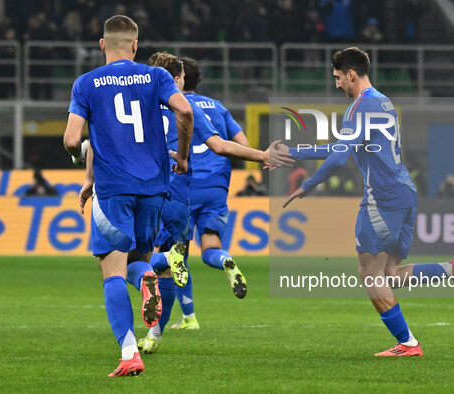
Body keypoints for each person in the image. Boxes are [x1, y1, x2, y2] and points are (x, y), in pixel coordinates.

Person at [275, 47, 454, 357]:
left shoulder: (359, 107)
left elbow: (338, 159)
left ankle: (409, 343)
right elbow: (341, 146)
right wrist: (295, 153)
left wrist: (307, 185)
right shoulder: (383, 102)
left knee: (370, 275)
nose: (336, 85)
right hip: (404, 194)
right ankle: (450, 269)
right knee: (388, 276)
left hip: (382, 199)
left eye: (337, 78)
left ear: (351, 75)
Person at [136, 52, 294, 353]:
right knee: (186, 254)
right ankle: (156, 335)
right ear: (177, 78)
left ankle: (162, 324)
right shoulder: (193, 107)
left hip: (152, 192)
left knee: (143, 265)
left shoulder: (140, 107)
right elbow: (222, 145)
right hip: (193, 189)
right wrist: (262, 155)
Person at [63, 15, 193, 377]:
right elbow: (184, 109)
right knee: (138, 259)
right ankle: (148, 279)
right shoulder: (157, 76)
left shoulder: (86, 84)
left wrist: (80, 159)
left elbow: (73, 140)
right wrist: (181, 157)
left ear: (103, 44)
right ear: (136, 46)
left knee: (111, 271)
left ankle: (129, 351)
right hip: (154, 186)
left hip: (113, 189)